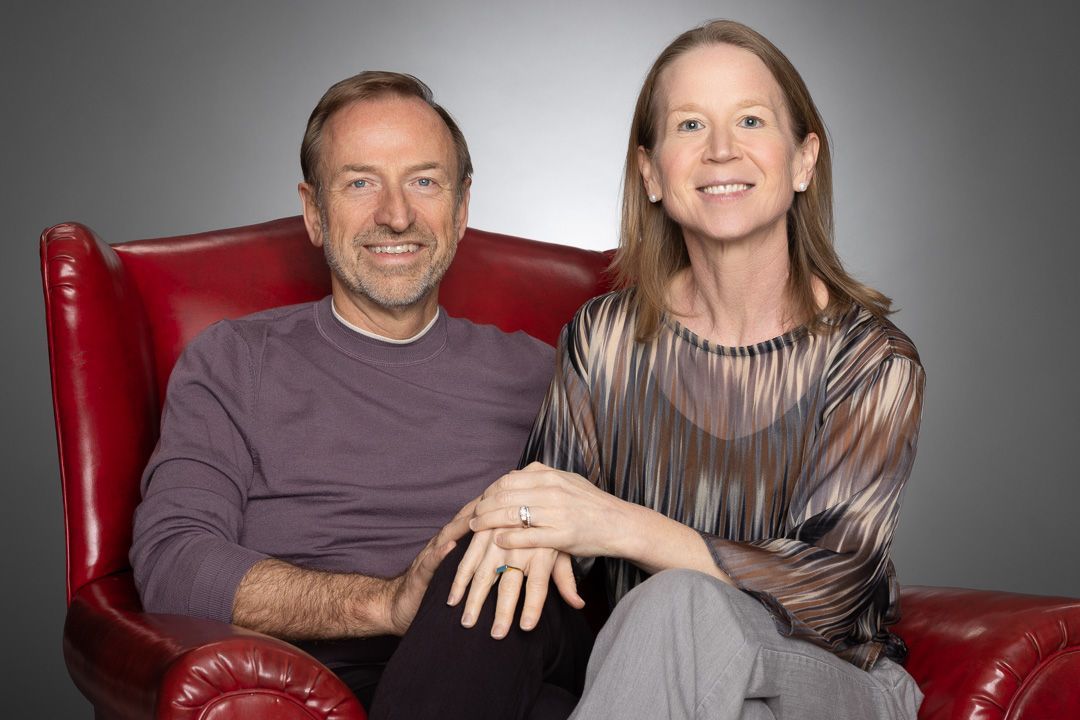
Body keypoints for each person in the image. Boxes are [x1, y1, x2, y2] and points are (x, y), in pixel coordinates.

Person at [454, 20, 925, 719]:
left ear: (803, 161)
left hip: (834, 683)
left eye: (751, 120)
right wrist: (513, 532)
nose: (721, 149)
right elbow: (549, 526)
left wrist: (622, 526)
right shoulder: (604, 338)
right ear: (651, 173)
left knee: (680, 601)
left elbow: (829, 591)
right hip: (669, 686)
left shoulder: (870, 359)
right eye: (690, 124)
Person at [129, 70, 592, 718]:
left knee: (496, 560)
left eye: (424, 182)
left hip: (519, 641)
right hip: (319, 691)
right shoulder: (235, 362)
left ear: (462, 209)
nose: (396, 215)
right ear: (314, 212)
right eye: (360, 183)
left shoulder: (548, 375)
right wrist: (386, 602)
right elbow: (172, 561)